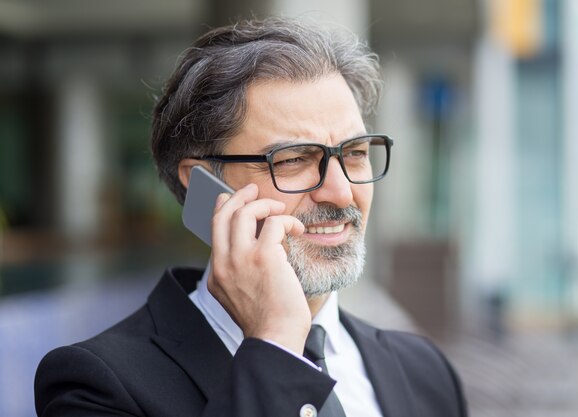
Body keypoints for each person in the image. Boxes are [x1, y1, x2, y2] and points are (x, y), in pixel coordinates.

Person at [35, 17, 467, 417]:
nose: (339, 191)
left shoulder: (425, 371)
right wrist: (277, 342)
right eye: (295, 158)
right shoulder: (96, 385)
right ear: (203, 185)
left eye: (354, 154)